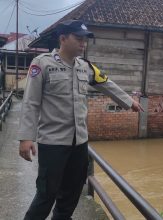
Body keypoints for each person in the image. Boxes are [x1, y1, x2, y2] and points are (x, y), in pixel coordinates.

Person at [17, 20, 143, 220]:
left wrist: (129, 102)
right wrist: (26, 137)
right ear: (63, 38)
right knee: (46, 194)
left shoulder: (85, 67)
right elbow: (31, 102)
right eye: (78, 38)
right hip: (53, 142)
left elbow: (106, 83)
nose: (83, 43)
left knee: (72, 193)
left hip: (79, 143)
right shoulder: (42, 64)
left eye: (85, 39)